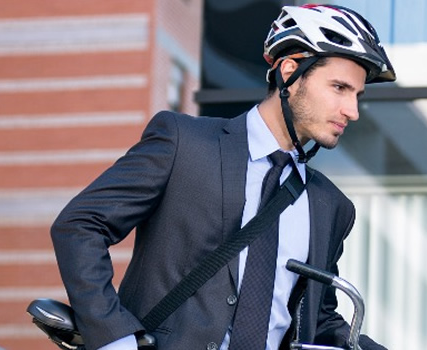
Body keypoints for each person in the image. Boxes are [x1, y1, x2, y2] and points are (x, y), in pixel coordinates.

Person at [50, 4, 394, 350]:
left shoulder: (331, 205)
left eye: (357, 96)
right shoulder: (184, 144)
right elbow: (80, 226)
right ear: (290, 72)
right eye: (339, 88)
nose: (352, 111)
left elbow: (318, 319)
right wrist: (114, 337)